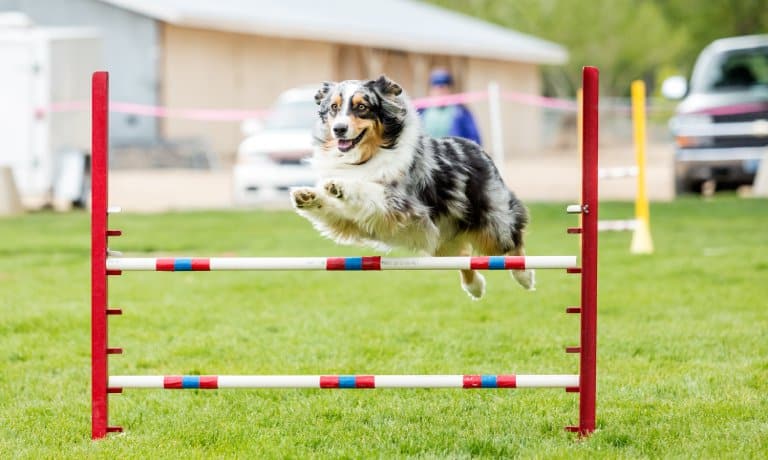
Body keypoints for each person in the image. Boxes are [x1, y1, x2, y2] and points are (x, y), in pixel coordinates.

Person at [419, 69, 482, 145]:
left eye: (444, 87)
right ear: (430, 90)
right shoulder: (421, 112)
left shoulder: (461, 113)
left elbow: (475, 140)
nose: (440, 91)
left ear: (450, 89)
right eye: (437, 87)